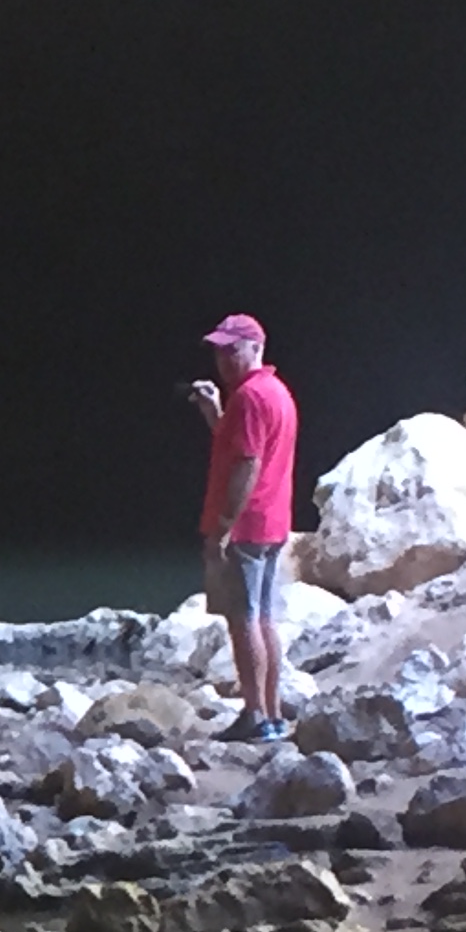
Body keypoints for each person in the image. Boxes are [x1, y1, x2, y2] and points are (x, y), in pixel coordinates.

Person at [187, 311, 300, 742]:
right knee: (263, 618)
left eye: (233, 350)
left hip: (248, 526)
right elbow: (239, 445)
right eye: (219, 351)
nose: (224, 359)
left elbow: (246, 465)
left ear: (256, 347)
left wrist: (221, 528)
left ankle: (255, 715)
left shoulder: (250, 399)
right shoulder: (274, 392)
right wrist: (214, 411)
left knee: (244, 619)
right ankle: (271, 714)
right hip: (272, 522)